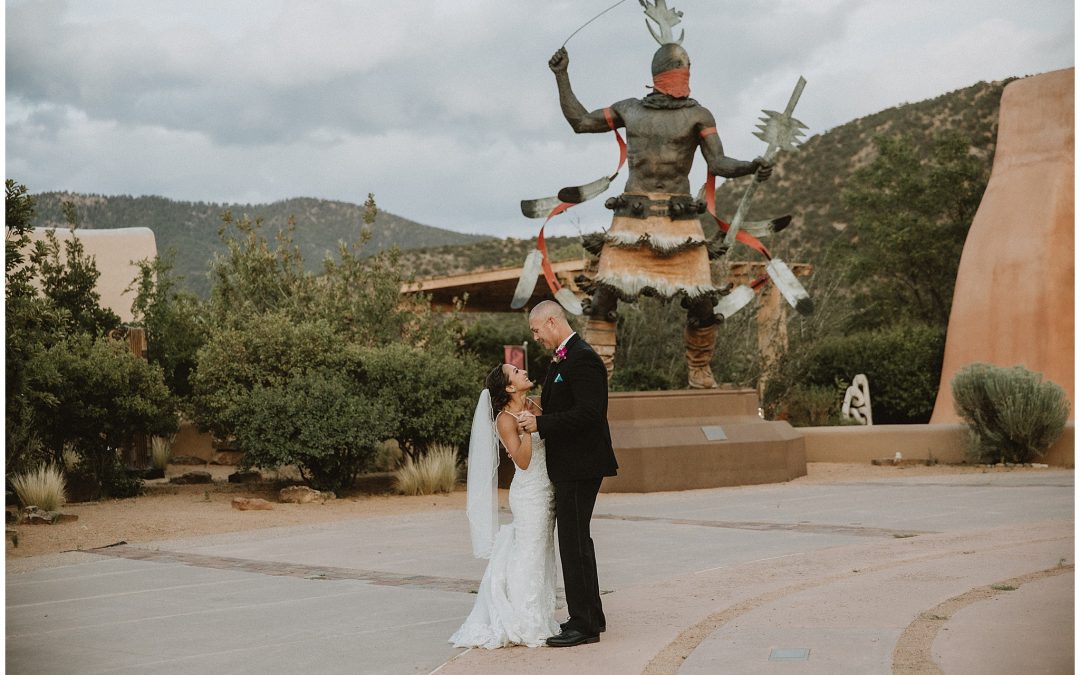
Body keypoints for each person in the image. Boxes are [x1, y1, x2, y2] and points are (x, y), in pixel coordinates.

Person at [548, 43, 773, 388]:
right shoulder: (630, 110)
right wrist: (562, 75)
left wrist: (749, 166)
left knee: (701, 300)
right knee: (604, 298)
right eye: (681, 69)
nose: (684, 77)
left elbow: (718, 163)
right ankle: (598, 376)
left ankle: (699, 369)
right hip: (631, 219)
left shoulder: (699, 115)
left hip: (680, 220)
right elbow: (580, 122)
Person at [517, 300, 619, 647]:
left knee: (573, 542)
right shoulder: (564, 358)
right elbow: (569, 406)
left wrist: (541, 423)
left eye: (535, 330)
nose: (535, 337)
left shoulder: (583, 357)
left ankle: (584, 625)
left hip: (581, 464)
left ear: (550, 322)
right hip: (571, 464)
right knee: (577, 540)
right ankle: (592, 615)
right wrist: (540, 410)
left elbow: (591, 413)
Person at [450, 363, 560, 649]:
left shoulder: (535, 404)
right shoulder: (505, 419)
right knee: (529, 553)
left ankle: (539, 614)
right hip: (528, 493)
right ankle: (523, 619)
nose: (523, 371)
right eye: (516, 372)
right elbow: (522, 462)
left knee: (542, 552)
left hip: (547, 489)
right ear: (510, 387)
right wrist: (526, 431)